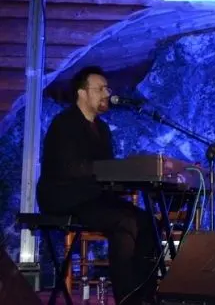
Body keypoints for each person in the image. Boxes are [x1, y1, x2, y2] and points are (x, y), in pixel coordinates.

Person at [37, 66, 157, 305]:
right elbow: (69, 168)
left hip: (93, 196)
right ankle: (127, 299)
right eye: (100, 89)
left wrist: (127, 174)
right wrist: (110, 170)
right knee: (124, 222)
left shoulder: (101, 128)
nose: (107, 93)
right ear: (82, 93)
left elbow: (105, 170)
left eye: (107, 88)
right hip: (65, 197)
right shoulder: (64, 124)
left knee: (147, 222)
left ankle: (146, 296)